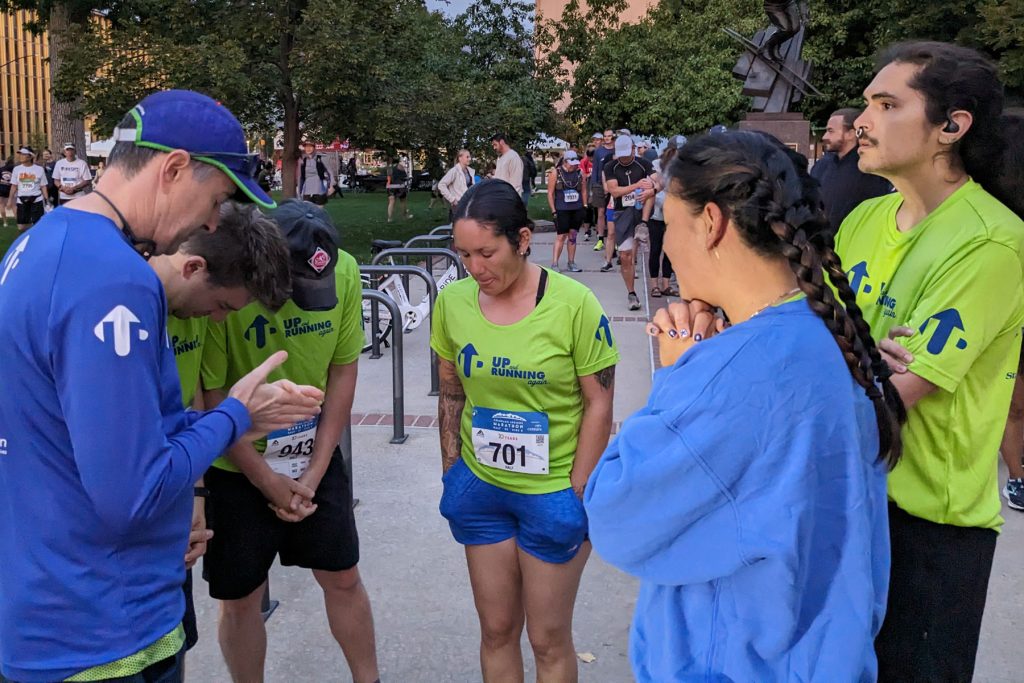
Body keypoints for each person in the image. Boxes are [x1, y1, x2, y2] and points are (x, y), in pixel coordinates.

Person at [0, 89, 324, 683]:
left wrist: (232, 419)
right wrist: (230, 416)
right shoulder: (113, 277)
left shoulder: (38, 242)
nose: (209, 222)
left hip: (51, 601)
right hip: (102, 628)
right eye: (217, 199)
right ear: (173, 168)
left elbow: (101, 434)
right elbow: (132, 496)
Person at [585, 129, 904, 681]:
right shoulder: (828, 335)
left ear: (711, 223)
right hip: (819, 652)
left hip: (735, 662)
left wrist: (680, 373)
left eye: (669, 217)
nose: (668, 242)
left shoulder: (733, 373)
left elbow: (619, 514)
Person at [836, 41, 1024, 681]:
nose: (862, 120)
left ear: (952, 126)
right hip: (848, 500)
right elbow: (807, 340)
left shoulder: (992, 241)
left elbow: (890, 396)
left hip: (930, 529)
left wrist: (847, 361)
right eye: (866, 103)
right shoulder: (863, 219)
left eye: (887, 104)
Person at [432, 179, 618, 683]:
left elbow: (599, 402)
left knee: (548, 639)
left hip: (552, 489)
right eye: (464, 254)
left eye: (487, 253)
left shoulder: (575, 305)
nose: (476, 268)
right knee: (495, 629)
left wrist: (576, 491)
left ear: (521, 239)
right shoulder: (452, 303)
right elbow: (452, 393)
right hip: (481, 488)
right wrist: (453, 472)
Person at [200, 199, 380, 683]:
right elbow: (212, 391)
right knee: (240, 599)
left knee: (343, 577)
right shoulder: (227, 287)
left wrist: (318, 469)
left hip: (312, 455)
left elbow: (344, 369)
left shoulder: (343, 271)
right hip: (238, 466)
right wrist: (265, 480)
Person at [154, 201, 292, 662]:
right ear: (194, 267)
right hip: (120, 526)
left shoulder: (184, 305)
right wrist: (236, 415)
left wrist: (195, 495)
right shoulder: (130, 311)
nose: (217, 320)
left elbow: (187, 400)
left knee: (173, 645)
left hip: (169, 495)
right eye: (220, 305)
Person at [811, 108, 891, 233]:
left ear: (851, 134)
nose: (825, 137)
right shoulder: (821, 166)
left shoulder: (870, 169)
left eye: (830, 131)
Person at [602, 135, 654, 310]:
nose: (624, 158)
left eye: (627, 153)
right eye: (621, 154)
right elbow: (614, 191)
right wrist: (636, 185)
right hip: (622, 212)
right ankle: (631, 293)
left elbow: (658, 180)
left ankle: (644, 225)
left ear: (633, 149)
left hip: (641, 209)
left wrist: (649, 187)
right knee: (625, 256)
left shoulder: (644, 163)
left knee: (649, 189)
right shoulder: (611, 166)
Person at [643, 137, 683, 298]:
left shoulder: (684, 167)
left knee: (669, 251)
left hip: (674, 215)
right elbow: (652, 187)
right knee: (655, 249)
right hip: (657, 213)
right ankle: (655, 285)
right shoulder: (656, 165)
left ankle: (666, 284)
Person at [547, 151, 586, 273]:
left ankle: (571, 262)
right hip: (562, 209)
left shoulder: (580, 173)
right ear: (565, 162)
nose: (573, 166)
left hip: (576, 208)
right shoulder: (556, 173)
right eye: (571, 164)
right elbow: (550, 193)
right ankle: (554, 263)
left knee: (573, 235)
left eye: (575, 164)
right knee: (561, 236)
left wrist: (584, 206)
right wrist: (553, 210)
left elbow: (584, 190)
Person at [6, 146, 49, 231]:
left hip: (36, 199)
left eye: (23, 154)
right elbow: (14, 186)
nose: (21, 156)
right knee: (21, 227)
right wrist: (10, 200)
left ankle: (36, 234)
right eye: (20, 154)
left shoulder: (39, 169)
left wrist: (47, 200)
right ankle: (33, 228)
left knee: (38, 223)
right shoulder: (16, 169)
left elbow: (43, 186)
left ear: (30, 156)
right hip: (21, 199)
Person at [590, 130, 615, 252]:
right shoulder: (599, 151)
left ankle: (615, 239)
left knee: (615, 211)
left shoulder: (617, 150)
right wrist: (593, 184)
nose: (607, 138)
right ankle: (600, 238)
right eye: (605, 136)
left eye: (609, 136)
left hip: (615, 183)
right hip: (600, 184)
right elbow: (595, 168)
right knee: (600, 212)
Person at [438, 149, 475, 222]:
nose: (469, 159)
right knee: (456, 230)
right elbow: (441, 185)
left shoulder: (470, 171)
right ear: (460, 158)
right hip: (458, 206)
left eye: (470, 157)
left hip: (468, 205)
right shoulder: (454, 171)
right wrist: (452, 199)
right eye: (467, 157)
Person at [296, 139, 335, 205]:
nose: (308, 148)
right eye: (306, 147)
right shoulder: (303, 161)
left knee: (318, 212)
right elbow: (301, 177)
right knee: (308, 213)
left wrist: (331, 186)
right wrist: (299, 191)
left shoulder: (320, 158)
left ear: (314, 147)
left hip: (319, 190)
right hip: (307, 191)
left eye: (310, 146)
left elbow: (330, 172)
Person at [386, 157, 412, 222]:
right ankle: (405, 216)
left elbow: (388, 177)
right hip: (399, 186)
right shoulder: (400, 166)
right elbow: (404, 176)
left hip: (390, 186)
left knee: (391, 202)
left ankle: (389, 218)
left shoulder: (389, 167)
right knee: (402, 201)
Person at [0, 156, 13, 226]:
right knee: (13, 205)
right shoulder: (14, 170)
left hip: (1, 188)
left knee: (1, 205)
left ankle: (5, 222)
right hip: (9, 189)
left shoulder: (1, 169)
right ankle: (19, 221)